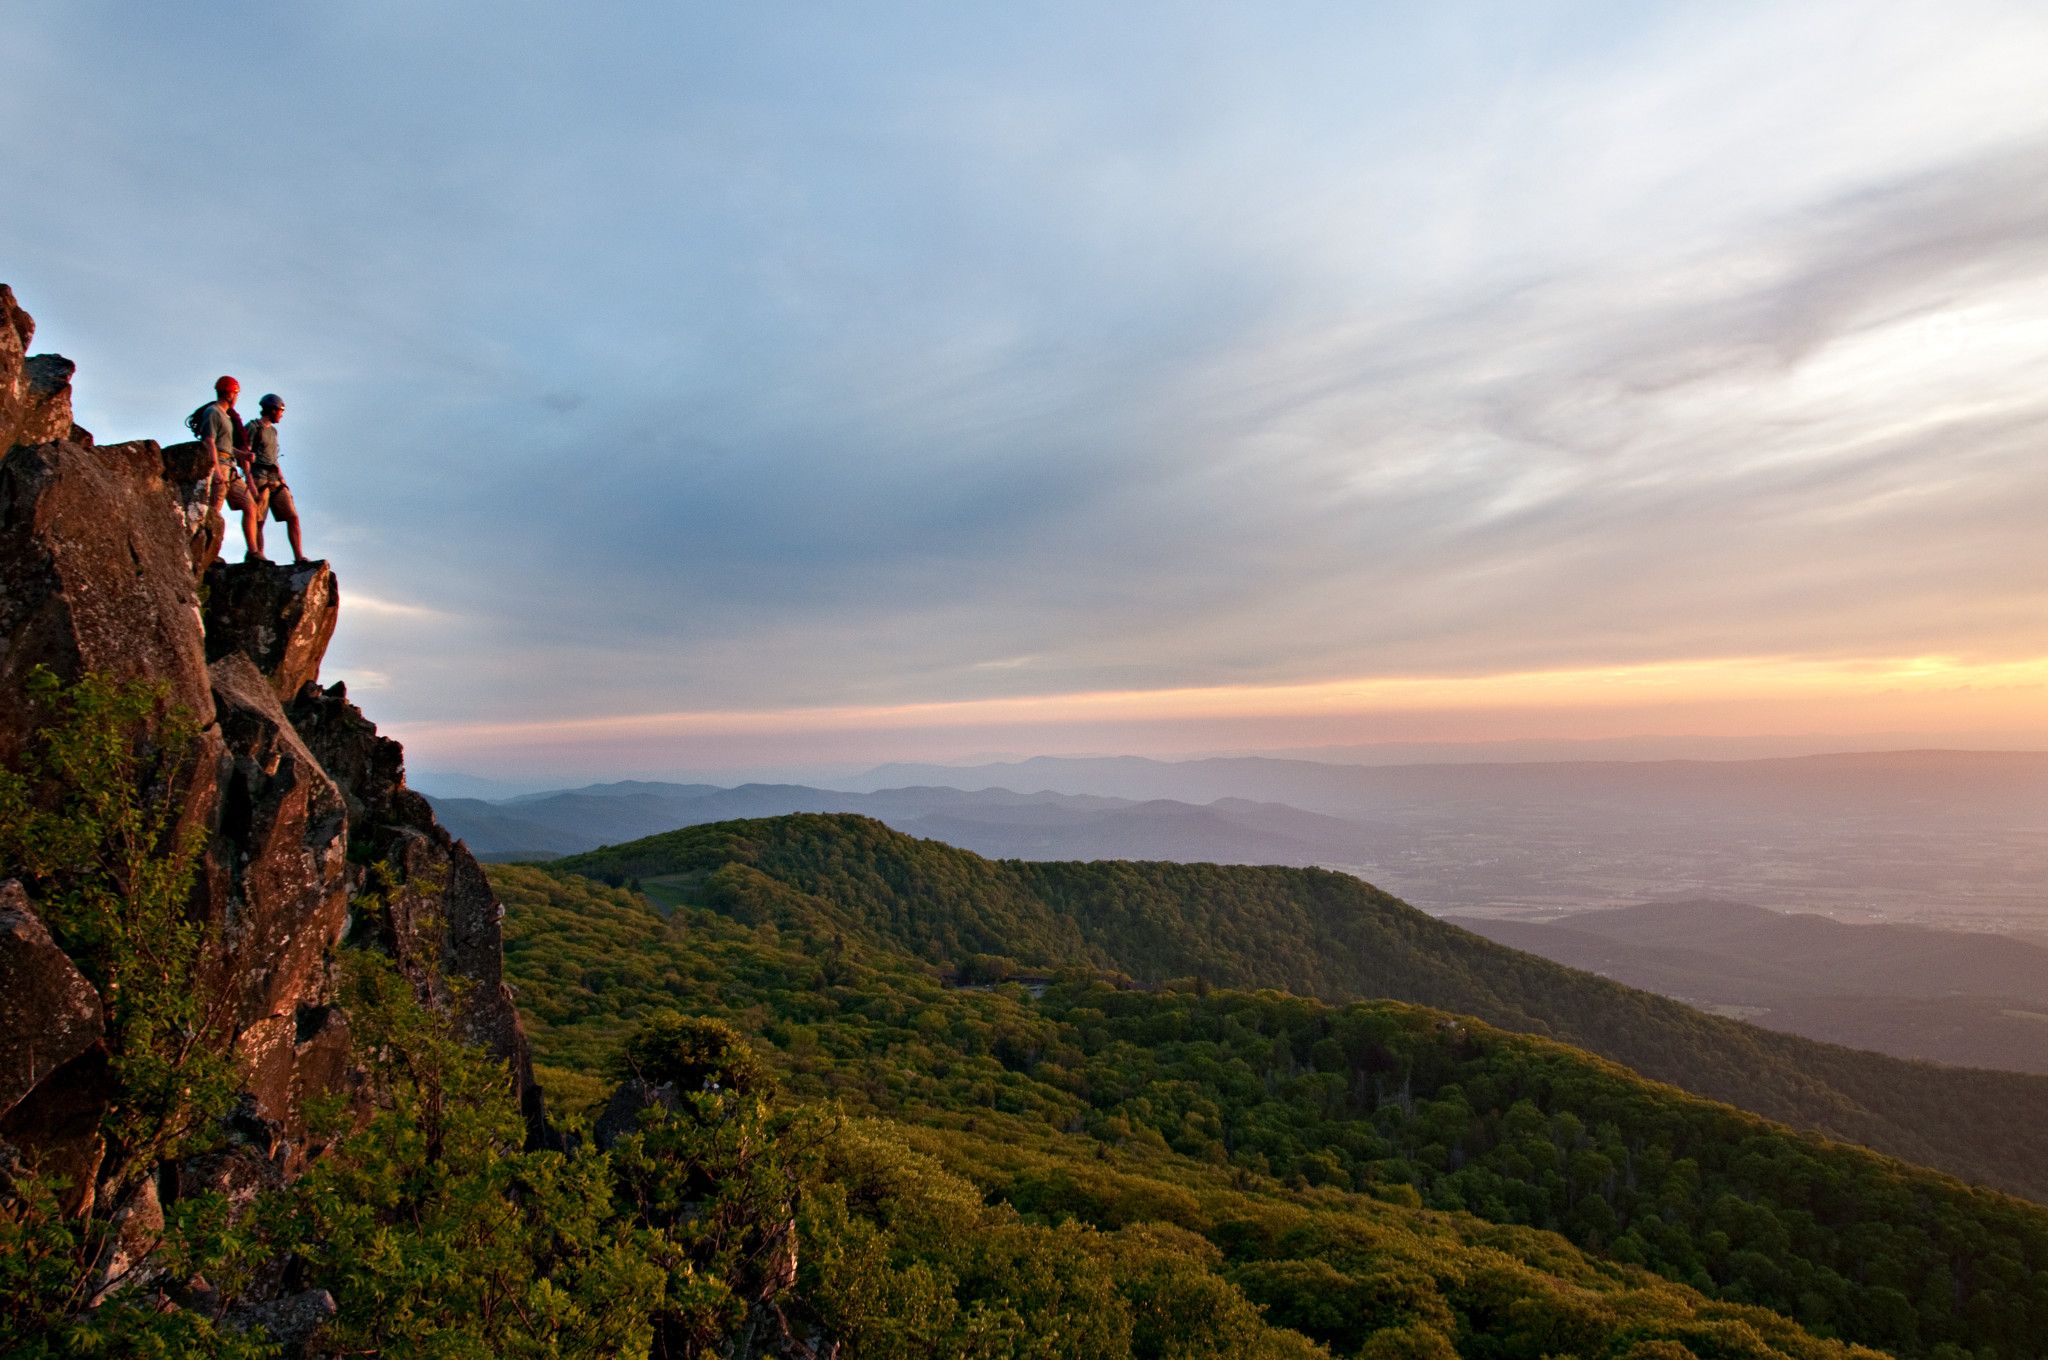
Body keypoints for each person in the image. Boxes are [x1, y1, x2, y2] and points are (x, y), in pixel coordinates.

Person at [239, 393, 306, 563]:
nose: (282, 414)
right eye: (281, 410)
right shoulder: (253, 428)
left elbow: (274, 458)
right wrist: (248, 479)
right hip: (259, 478)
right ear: (273, 409)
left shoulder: (273, 431)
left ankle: (298, 556)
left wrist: (282, 480)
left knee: (292, 516)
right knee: (259, 520)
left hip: (274, 478)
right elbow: (244, 455)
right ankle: (257, 555)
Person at [191, 375, 243, 536]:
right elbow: (210, 442)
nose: (236, 398)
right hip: (220, 464)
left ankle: (254, 551)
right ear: (229, 394)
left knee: (249, 505)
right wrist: (218, 471)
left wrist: (244, 455)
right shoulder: (213, 412)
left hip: (229, 464)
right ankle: (208, 550)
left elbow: (225, 445)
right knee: (215, 508)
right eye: (236, 394)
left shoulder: (226, 416)